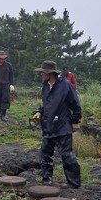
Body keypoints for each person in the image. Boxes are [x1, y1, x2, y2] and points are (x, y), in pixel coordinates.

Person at [32, 60, 82, 188]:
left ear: (50, 73)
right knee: (45, 153)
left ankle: (74, 184)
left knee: (67, 155)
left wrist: (75, 121)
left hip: (62, 126)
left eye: (43, 72)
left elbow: (75, 104)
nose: (41, 74)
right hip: (48, 126)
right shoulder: (45, 85)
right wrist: (39, 112)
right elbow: (46, 104)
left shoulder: (65, 85)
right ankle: (46, 179)